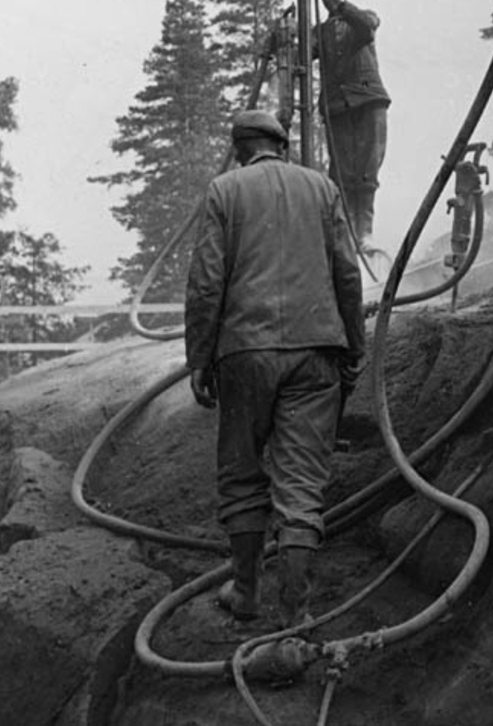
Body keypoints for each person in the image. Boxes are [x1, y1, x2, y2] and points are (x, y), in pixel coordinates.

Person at [185, 109, 365, 625]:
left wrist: (199, 357)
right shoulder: (321, 187)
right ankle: (296, 616)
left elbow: (205, 283)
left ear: (241, 150)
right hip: (316, 352)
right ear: (282, 146)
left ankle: (246, 593)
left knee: (242, 473)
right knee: (302, 485)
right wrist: (353, 344)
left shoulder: (224, 190)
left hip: (245, 353)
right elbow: (346, 274)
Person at [312, 0, 391, 245]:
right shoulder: (319, 33)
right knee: (342, 174)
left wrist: (340, 4)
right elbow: (300, 52)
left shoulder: (363, 16)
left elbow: (366, 28)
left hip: (368, 99)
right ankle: (346, 234)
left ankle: (365, 232)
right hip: (337, 107)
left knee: (367, 168)